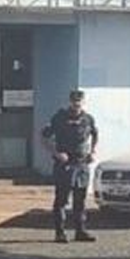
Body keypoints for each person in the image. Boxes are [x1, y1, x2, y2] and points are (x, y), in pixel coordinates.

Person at [41, 89, 99, 244]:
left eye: (79, 101)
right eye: (74, 101)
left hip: (82, 164)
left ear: (83, 102)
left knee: (80, 200)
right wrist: (56, 153)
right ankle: (60, 233)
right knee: (62, 200)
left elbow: (95, 134)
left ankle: (80, 231)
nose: (76, 103)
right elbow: (44, 137)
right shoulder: (59, 118)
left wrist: (93, 151)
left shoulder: (88, 119)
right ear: (70, 101)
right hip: (65, 165)